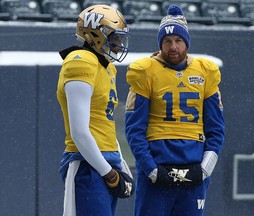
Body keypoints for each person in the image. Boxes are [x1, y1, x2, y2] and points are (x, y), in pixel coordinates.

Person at [125, 4, 225, 216]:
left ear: (186, 43)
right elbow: (134, 130)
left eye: (178, 40)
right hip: (157, 168)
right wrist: (150, 168)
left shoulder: (205, 72)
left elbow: (216, 129)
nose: (173, 46)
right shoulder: (146, 72)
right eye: (167, 41)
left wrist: (206, 167)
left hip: (194, 168)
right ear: (160, 43)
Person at [56, 4, 134, 216]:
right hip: (87, 162)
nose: (118, 44)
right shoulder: (80, 62)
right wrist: (108, 173)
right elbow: (79, 131)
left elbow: (104, 122)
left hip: (105, 159)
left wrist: (118, 163)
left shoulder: (107, 66)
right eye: (114, 37)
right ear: (95, 34)